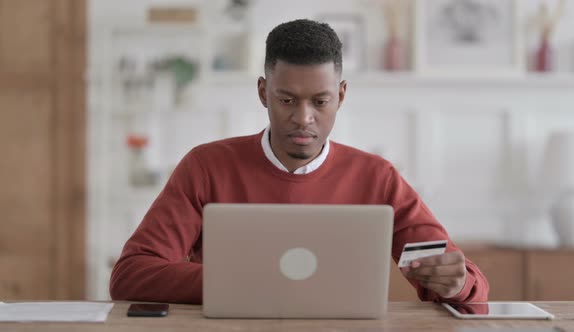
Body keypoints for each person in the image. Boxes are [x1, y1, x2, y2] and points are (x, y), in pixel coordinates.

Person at [110, 19, 489, 304]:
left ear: (341, 96)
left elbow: (471, 283)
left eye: (320, 102)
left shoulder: (377, 178)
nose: (303, 118)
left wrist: (459, 284)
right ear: (264, 92)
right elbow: (130, 275)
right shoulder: (206, 166)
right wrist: (240, 284)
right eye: (287, 99)